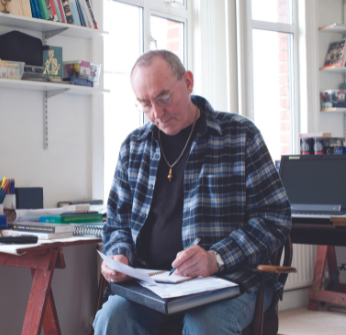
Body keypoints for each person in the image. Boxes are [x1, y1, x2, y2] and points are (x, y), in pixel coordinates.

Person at [93, 50, 291, 335]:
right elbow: (117, 222)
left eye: (163, 98)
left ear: (187, 82)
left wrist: (216, 258)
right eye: (145, 104)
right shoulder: (133, 147)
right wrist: (119, 255)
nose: (157, 113)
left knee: (204, 325)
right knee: (112, 318)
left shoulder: (240, 135)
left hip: (229, 281)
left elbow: (275, 217)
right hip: (153, 285)